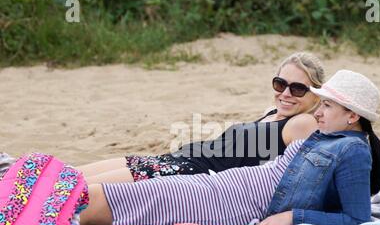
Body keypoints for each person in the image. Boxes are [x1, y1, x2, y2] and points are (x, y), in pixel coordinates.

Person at [81, 69, 380, 225]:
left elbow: (356, 220)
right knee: (101, 203)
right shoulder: (330, 138)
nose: (318, 112)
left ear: (352, 115)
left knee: (106, 201)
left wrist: (292, 217)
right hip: (225, 186)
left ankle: (41, 211)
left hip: (233, 204)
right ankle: (41, 204)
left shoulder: (353, 151)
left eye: (326, 105)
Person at [77, 52, 325, 184]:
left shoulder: (304, 123)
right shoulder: (273, 113)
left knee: (84, 187)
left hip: (192, 173)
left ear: (316, 93)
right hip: (183, 157)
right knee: (76, 175)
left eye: (298, 88)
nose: (285, 93)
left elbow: (298, 177)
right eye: (280, 84)